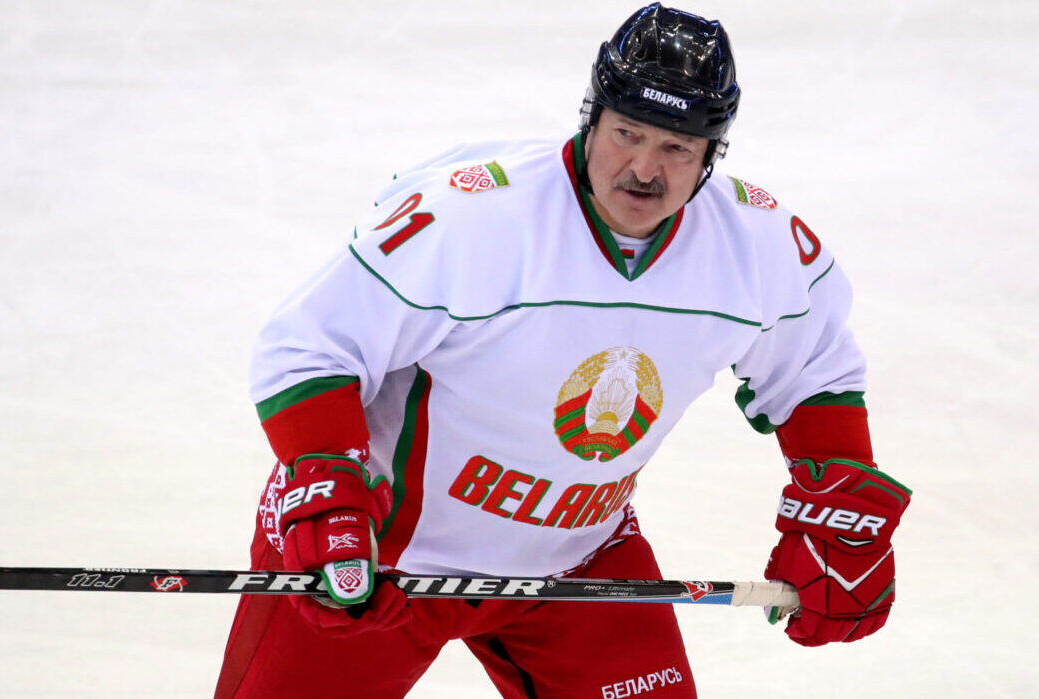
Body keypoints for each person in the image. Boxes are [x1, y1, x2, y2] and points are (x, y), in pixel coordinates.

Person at [213, 4, 912, 697]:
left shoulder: (758, 244)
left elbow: (815, 370)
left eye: (677, 148)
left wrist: (841, 514)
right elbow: (311, 348)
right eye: (627, 133)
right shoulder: (472, 219)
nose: (644, 169)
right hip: (380, 555)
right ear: (592, 117)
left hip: (578, 560)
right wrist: (330, 493)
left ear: (711, 154)